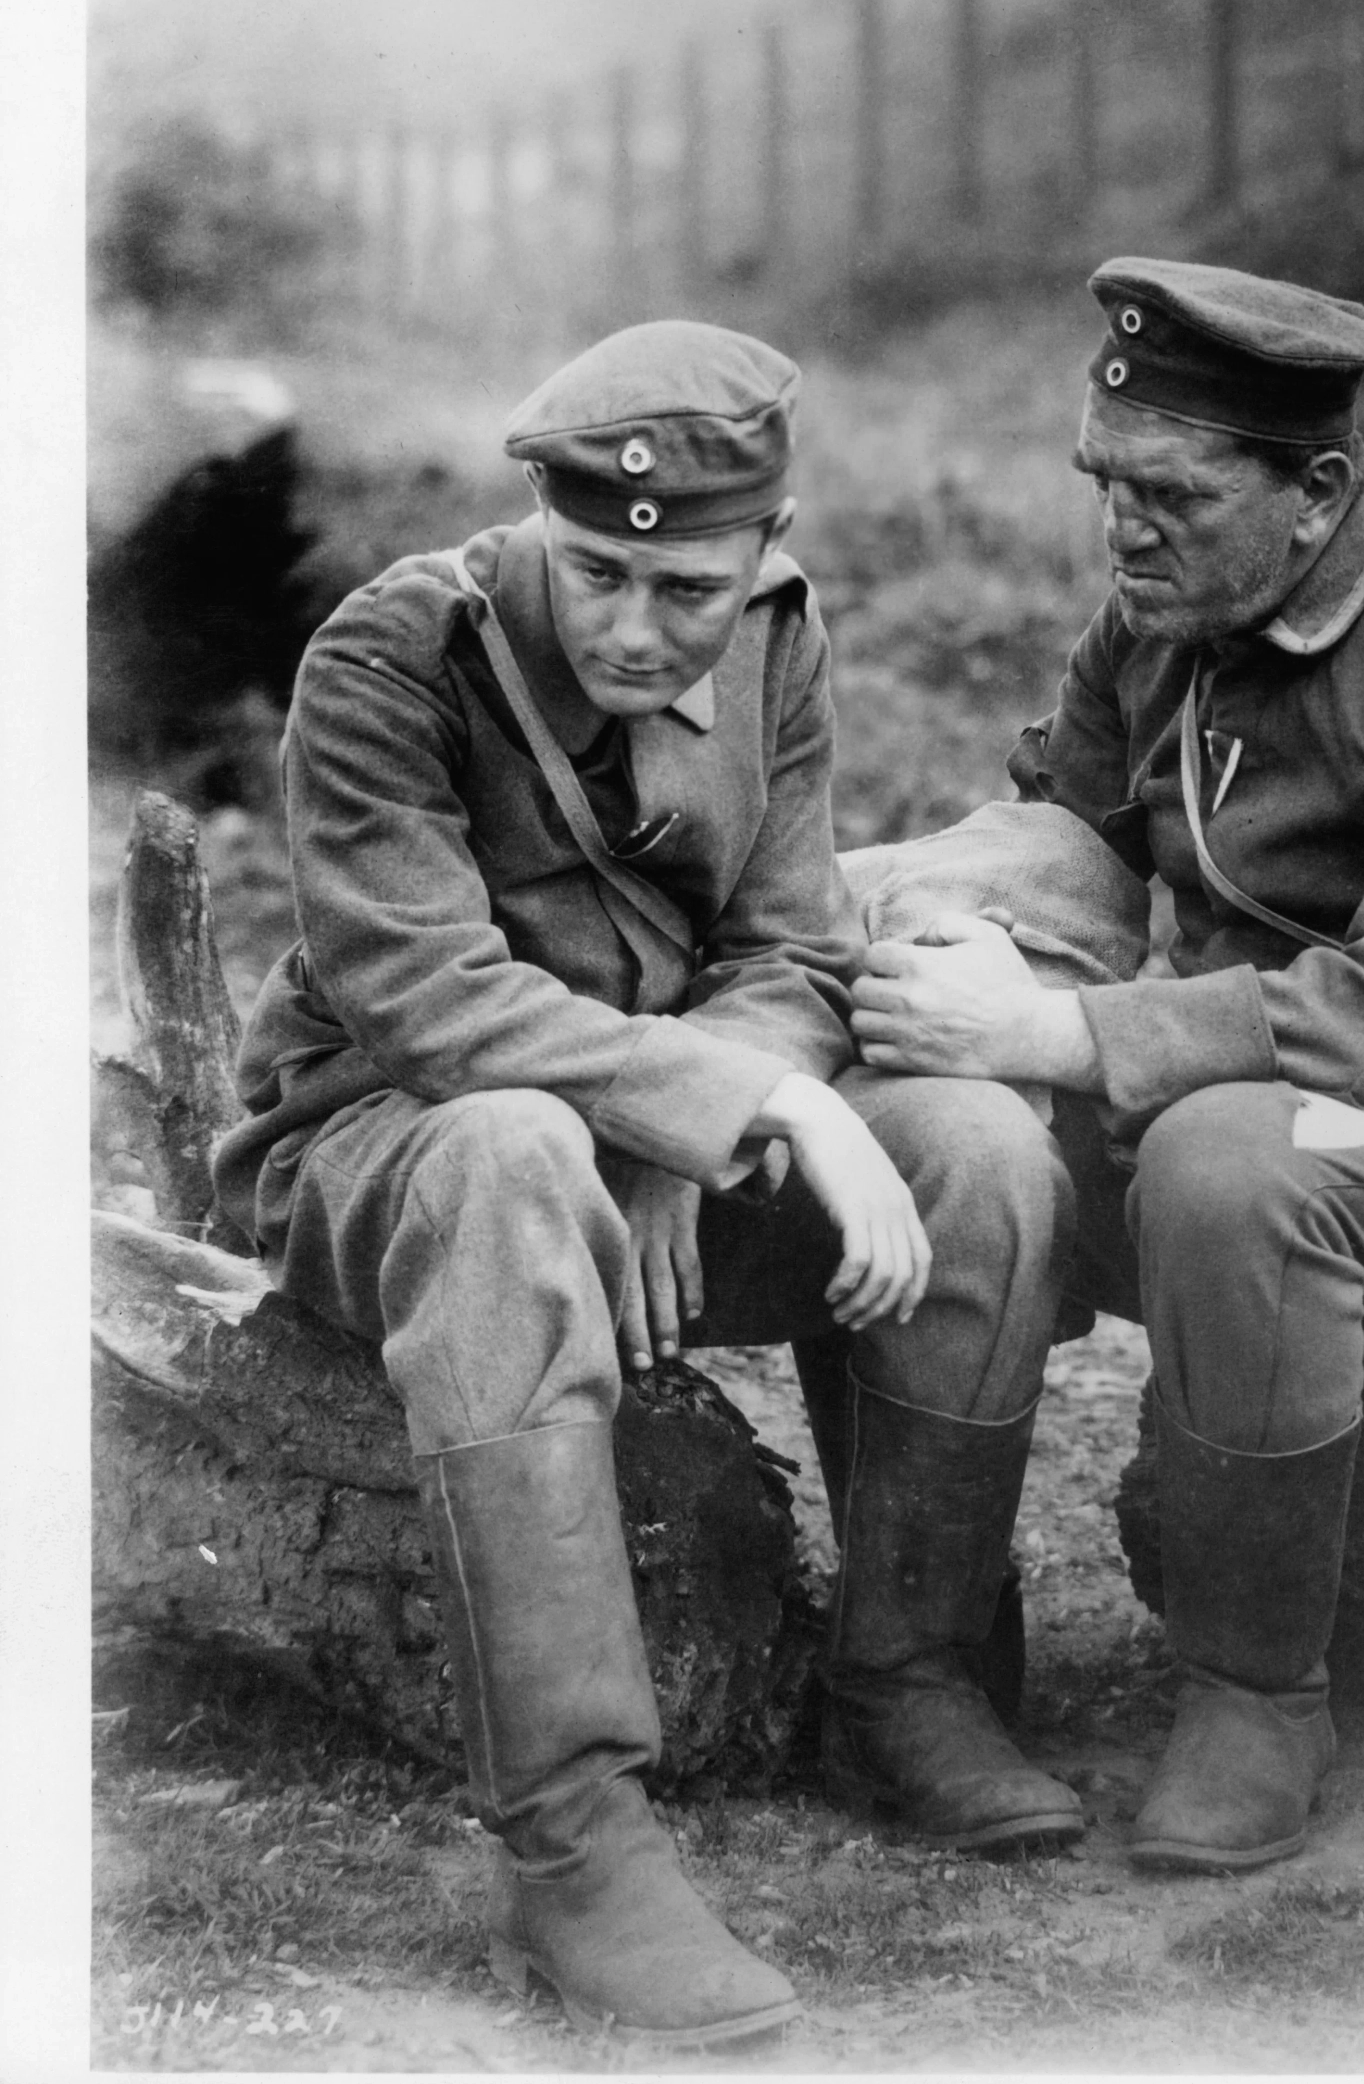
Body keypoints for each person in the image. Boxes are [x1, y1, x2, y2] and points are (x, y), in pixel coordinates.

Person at [211, 321, 1081, 2050]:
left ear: (759, 553)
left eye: (683, 586)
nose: (632, 625)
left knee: (973, 1144)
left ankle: (902, 1677)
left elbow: (783, 940)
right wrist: (728, 1103)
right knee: (524, 1148)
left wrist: (710, 1133)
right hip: (400, 1157)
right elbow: (429, 1001)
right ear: (538, 524)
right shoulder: (396, 654)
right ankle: (574, 1838)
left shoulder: (780, 642)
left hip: (633, 1156)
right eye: (594, 571)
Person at [848, 258, 1364, 1875]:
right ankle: (920, 1660)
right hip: (1246, 1110)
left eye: (1170, 494)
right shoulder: (1162, 622)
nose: (1123, 532)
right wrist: (881, 919)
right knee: (958, 1137)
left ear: (1315, 492)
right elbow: (1069, 849)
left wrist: (1061, 1031)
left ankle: (1254, 1691)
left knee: (1227, 1163)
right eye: (1107, 486)